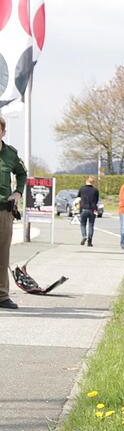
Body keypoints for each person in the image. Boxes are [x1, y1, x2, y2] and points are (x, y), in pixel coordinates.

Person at [0, 115, 27, 310]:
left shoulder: (10, 154)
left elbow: (22, 173)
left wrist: (18, 191)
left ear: (3, 132)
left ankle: (2, 296)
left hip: (4, 211)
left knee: (2, 254)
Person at [76, 176, 100, 247]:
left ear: (86, 181)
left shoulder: (82, 189)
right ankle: (89, 241)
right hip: (92, 210)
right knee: (91, 225)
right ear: (93, 182)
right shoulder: (95, 190)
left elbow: (78, 197)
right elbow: (96, 200)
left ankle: (84, 236)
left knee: (83, 224)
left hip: (83, 209)